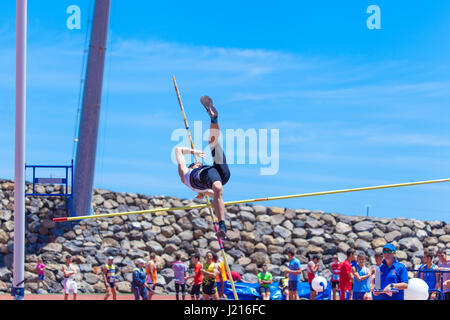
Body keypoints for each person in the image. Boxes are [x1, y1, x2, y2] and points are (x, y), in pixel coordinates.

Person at [175, 96, 230, 239]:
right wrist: (204, 194)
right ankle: (222, 225)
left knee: (213, 143)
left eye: (199, 162)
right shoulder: (186, 174)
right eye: (196, 162)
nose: (198, 162)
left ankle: (214, 118)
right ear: (193, 166)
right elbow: (178, 150)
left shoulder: (192, 180)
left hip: (216, 174)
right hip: (215, 177)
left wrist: (194, 152)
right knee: (218, 189)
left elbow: (178, 150)